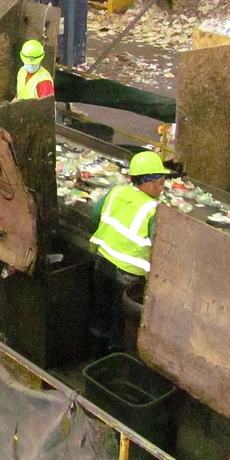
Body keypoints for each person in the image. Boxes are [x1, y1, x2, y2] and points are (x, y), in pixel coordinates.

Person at [89, 150, 171, 352]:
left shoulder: (116, 191)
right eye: (161, 183)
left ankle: (93, 358)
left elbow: (95, 213)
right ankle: (112, 364)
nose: (162, 188)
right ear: (150, 183)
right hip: (127, 276)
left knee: (100, 315)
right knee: (120, 324)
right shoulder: (152, 210)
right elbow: (158, 244)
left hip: (102, 263)